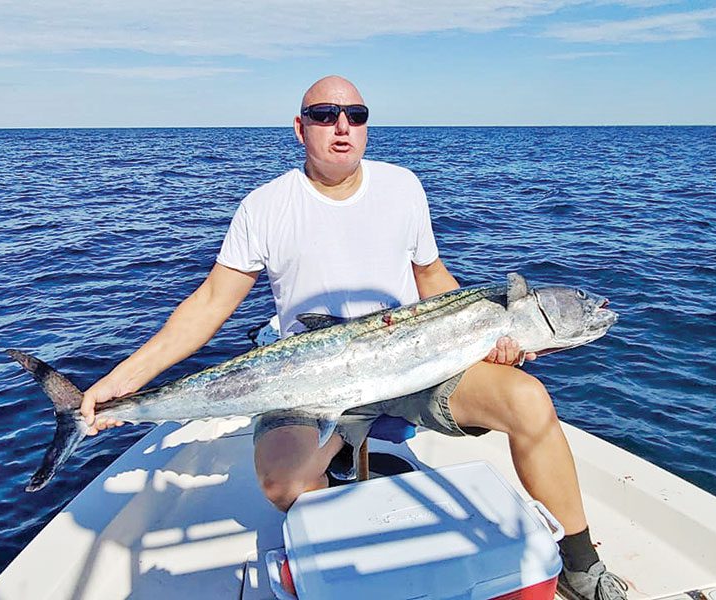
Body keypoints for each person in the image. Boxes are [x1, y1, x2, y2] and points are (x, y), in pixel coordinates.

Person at [81, 75, 628, 600]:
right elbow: (208, 306)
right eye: (324, 115)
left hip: (412, 360)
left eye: (355, 116)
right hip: (309, 371)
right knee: (283, 483)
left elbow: (433, 281)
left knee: (529, 401)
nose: (341, 126)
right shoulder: (265, 206)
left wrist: (488, 333)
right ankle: (345, 507)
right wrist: (119, 385)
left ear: (366, 127)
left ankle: (579, 565)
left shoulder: (402, 186)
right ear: (301, 128)